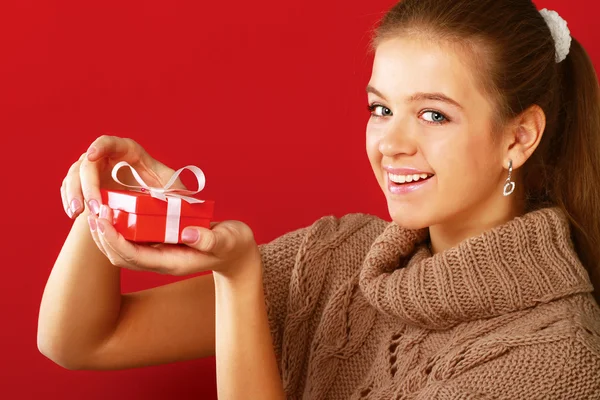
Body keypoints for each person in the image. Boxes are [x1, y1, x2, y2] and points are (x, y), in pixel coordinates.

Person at [38, 0, 600, 398]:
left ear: (519, 137)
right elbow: (85, 340)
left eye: (434, 114)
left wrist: (238, 280)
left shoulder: (555, 359)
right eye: (381, 109)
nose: (391, 145)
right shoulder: (336, 258)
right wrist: (106, 200)